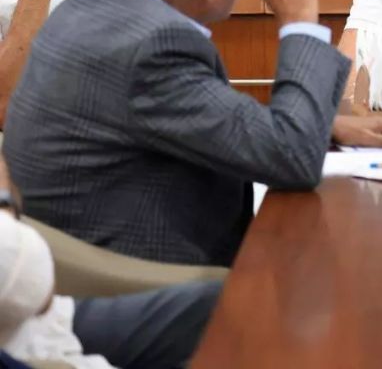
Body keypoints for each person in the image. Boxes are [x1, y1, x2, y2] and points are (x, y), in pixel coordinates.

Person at [2, 0, 382, 267]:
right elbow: (294, 161)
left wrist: (325, 125)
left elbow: (201, 112)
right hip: (141, 286)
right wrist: (300, 17)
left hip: (95, 257)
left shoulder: (98, 2)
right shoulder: (155, 47)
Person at [0, 157, 220, 368]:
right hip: (31, 328)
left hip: (37, 319)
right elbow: (37, 292)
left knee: (215, 306)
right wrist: (4, 203)